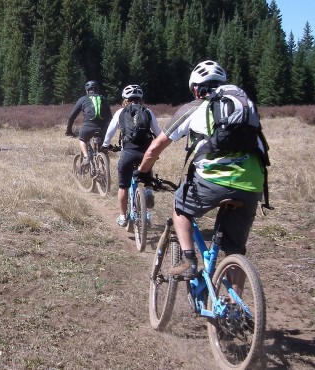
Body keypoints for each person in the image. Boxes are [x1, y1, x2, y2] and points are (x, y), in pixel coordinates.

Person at [135, 60, 266, 279]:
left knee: (179, 207)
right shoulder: (242, 109)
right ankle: (233, 307)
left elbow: (156, 146)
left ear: (196, 88)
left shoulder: (193, 108)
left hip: (212, 180)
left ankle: (189, 261)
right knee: (234, 249)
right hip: (252, 183)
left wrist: (143, 171)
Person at [101, 85, 161, 230]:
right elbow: (158, 133)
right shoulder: (148, 111)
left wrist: (105, 145)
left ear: (125, 99)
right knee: (147, 175)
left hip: (128, 152)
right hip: (145, 153)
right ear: (141, 99)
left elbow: (110, 132)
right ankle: (148, 191)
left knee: (123, 186)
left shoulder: (121, 112)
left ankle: (122, 217)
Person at [65, 80, 112, 166]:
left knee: (82, 139)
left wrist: (69, 130)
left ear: (87, 90)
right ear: (97, 90)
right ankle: (105, 170)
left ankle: (86, 157)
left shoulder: (83, 99)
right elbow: (110, 117)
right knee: (103, 151)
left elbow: (71, 117)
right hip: (102, 128)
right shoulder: (103, 99)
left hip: (88, 126)